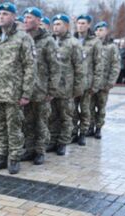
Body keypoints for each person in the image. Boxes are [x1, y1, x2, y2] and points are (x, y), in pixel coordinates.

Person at [0, 2, 35, 174]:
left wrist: (26, 93)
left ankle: (14, 158)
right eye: (0, 14)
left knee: (13, 127)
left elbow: (30, 66)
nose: (2, 17)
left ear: (14, 17)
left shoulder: (23, 38)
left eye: (6, 14)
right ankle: (1, 155)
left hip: (14, 92)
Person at [21, 7, 59, 165]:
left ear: (38, 20)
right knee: (27, 122)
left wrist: (52, 89)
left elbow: (55, 67)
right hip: (25, 90)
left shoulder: (48, 40)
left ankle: (40, 151)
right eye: (25, 17)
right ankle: (29, 150)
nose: (26, 20)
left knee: (41, 122)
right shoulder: (22, 38)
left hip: (41, 90)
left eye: (29, 17)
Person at [47, 14, 81, 156]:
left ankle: (62, 143)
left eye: (59, 24)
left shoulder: (73, 43)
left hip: (66, 88)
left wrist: (77, 88)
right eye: (54, 24)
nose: (56, 27)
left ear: (67, 26)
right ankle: (52, 141)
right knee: (52, 116)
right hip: (51, 88)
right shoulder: (50, 42)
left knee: (66, 117)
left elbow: (79, 67)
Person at [72, 15, 102, 145]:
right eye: (78, 23)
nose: (80, 25)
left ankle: (83, 132)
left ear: (88, 25)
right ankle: (73, 132)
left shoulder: (95, 42)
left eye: (83, 23)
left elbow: (99, 65)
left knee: (85, 110)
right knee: (72, 110)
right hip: (72, 83)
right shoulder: (72, 40)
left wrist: (95, 85)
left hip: (87, 83)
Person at [90, 22, 120, 139]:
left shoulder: (111, 47)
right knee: (89, 107)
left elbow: (115, 65)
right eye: (97, 30)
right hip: (92, 83)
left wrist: (111, 82)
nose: (98, 32)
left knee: (101, 107)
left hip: (104, 83)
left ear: (106, 31)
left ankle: (98, 128)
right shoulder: (92, 45)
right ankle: (90, 127)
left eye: (101, 30)